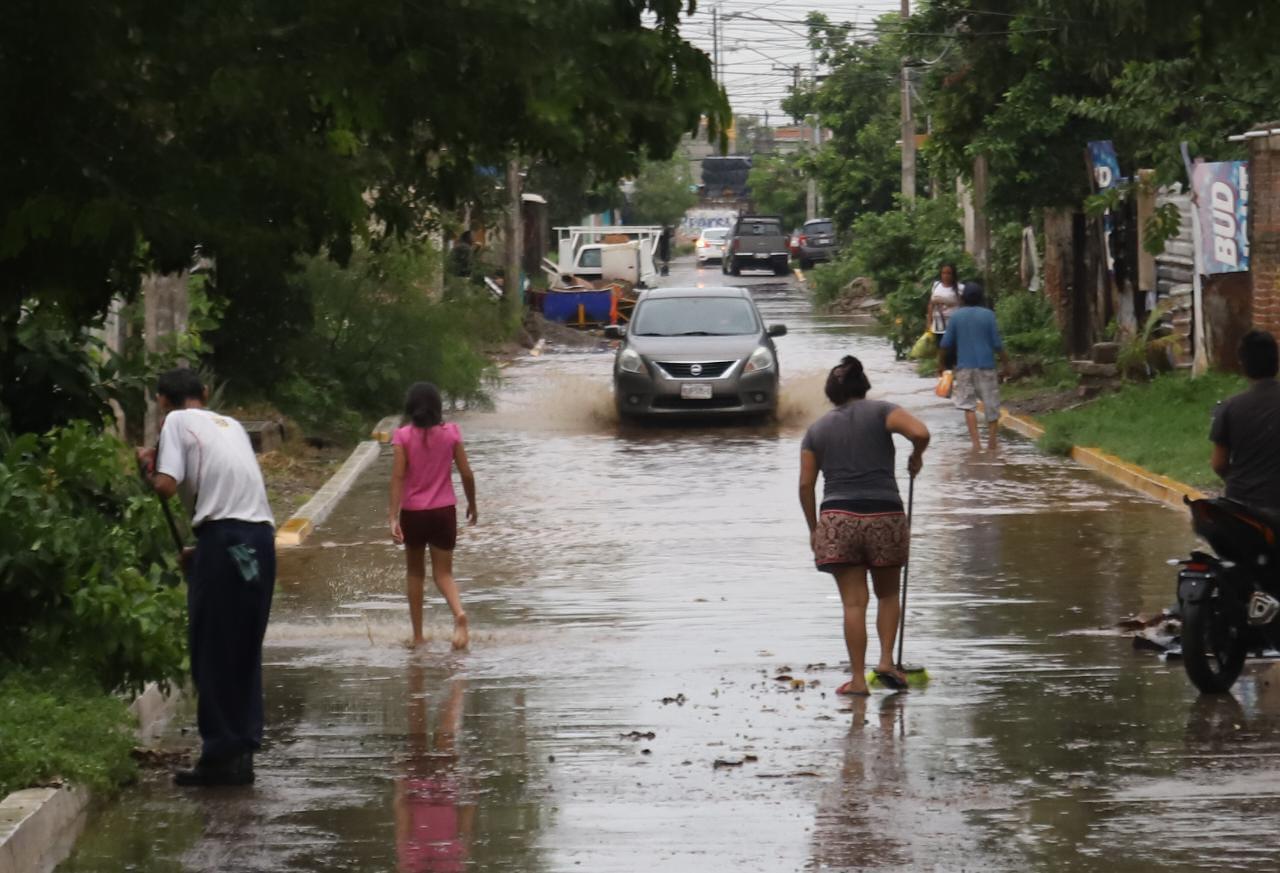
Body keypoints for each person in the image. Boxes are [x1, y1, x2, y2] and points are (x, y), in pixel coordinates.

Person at [140, 368, 276, 786]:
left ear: (162, 401)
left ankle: (219, 758)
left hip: (225, 538)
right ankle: (242, 754)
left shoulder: (175, 422)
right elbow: (235, 491)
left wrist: (145, 465)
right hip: (259, 539)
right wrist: (205, 551)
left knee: (212, 649)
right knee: (243, 648)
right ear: (205, 392)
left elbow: (165, 486)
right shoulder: (231, 425)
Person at [799, 356, 931, 696]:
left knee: (853, 604)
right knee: (887, 594)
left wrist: (815, 528)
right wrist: (916, 456)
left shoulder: (816, 430)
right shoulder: (882, 411)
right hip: (884, 515)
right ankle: (886, 662)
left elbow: (805, 485)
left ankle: (858, 681)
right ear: (864, 387)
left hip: (837, 518)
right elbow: (920, 432)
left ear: (831, 393)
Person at [389, 382, 477, 650]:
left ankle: (418, 637)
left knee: (415, 573)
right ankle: (459, 613)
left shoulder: (402, 436)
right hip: (444, 512)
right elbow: (466, 473)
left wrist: (393, 516)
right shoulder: (451, 433)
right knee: (444, 574)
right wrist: (472, 503)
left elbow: (398, 476)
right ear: (438, 407)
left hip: (414, 514)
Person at [1211, 330, 1280, 515]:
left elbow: (1218, 464)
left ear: (1243, 366)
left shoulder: (1229, 408)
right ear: (1276, 362)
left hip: (1241, 507)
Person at [939, 281, 1009, 451]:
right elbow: (997, 344)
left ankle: (976, 444)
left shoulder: (956, 317)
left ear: (963, 298)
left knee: (968, 406)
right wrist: (1007, 363)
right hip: (987, 366)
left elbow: (945, 344)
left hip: (964, 368)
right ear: (981, 298)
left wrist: (941, 365)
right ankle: (992, 443)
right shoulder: (989, 315)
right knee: (991, 404)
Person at [926, 263, 961, 346]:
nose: (946, 276)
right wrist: (929, 322)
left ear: (953, 275)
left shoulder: (960, 288)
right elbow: (931, 305)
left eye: (948, 273)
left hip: (954, 326)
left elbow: (963, 306)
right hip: (938, 326)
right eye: (943, 273)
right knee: (941, 350)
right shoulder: (936, 286)